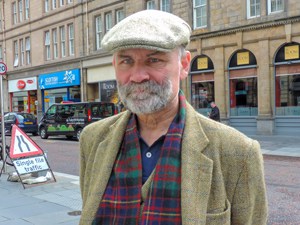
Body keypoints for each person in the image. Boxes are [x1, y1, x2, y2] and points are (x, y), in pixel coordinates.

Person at [79, 10, 268, 225]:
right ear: (115, 65)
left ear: (184, 65)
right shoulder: (92, 139)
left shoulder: (238, 152)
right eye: (126, 61)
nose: (138, 76)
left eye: (154, 60)